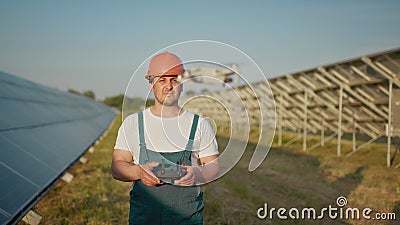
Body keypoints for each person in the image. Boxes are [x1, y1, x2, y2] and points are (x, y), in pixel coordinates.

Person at [111, 51, 219, 225]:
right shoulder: (133, 123)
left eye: (174, 80)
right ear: (151, 84)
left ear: (182, 84)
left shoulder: (198, 124)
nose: (169, 86)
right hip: (145, 218)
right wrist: (139, 172)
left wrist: (197, 174)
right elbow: (117, 167)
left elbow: (213, 167)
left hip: (186, 218)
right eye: (162, 80)